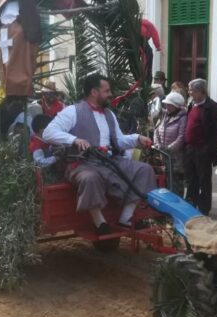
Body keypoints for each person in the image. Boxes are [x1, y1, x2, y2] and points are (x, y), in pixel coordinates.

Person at [42, 74, 155, 235]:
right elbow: (48, 133)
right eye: (106, 91)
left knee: (144, 170)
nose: (110, 94)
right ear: (94, 92)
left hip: (108, 161)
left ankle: (125, 218)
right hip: (82, 163)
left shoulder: (109, 114)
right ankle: (100, 222)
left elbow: (119, 140)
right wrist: (74, 140)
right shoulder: (72, 111)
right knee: (90, 178)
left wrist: (137, 138)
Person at [182, 78, 217, 214]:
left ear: (201, 91)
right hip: (190, 149)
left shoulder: (212, 107)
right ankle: (190, 206)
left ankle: (204, 209)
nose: (189, 93)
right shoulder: (191, 104)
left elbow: (216, 131)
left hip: (203, 151)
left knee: (204, 181)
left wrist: (208, 149)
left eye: (192, 90)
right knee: (190, 180)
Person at [154, 91, 188, 196]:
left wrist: (168, 148)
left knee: (176, 183)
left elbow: (181, 137)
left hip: (176, 158)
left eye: (169, 104)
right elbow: (156, 130)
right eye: (166, 104)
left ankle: (178, 202)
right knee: (167, 182)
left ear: (176, 105)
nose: (167, 106)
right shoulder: (165, 115)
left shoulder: (183, 118)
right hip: (164, 155)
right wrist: (157, 144)